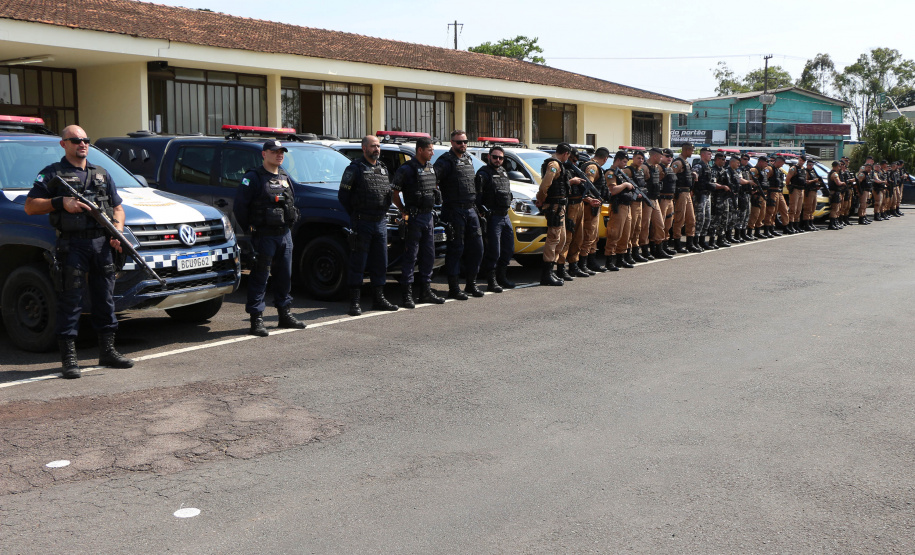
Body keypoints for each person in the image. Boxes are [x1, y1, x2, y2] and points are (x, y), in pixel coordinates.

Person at [24, 125, 134, 378]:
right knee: (70, 301)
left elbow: (117, 208)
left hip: (101, 244)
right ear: (64, 144)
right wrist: (60, 202)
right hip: (72, 246)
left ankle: (107, 351)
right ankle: (69, 359)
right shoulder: (52, 173)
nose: (82, 144)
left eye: (85, 140)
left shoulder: (102, 173)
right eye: (75, 140)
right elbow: (30, 206)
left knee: (105, 299)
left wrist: (116, 232)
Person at [234, 139, 305, 336]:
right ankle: (256, 319)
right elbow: (240, 207)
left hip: (284, 235)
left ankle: (284, 314)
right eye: (274, 151)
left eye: (281, 151)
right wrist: (251, 229)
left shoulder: (284, 176)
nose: (279, 154)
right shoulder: (253, 177)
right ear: (264, 154)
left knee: (284, 277)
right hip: (264, 236)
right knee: (260, 278)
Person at [339, 135, 398, 315]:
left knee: (380, 262)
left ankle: (378, 299)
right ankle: (354, 303)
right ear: (364, 148)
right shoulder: (354, 169)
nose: (377, 149)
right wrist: (357, 215)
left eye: (378, 146)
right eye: (373, 146)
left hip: (380, 222)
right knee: (358, 262)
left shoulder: (383, 168)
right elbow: (343, 197)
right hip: (362, 222)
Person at [391, 137, 446, 307]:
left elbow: (434, 188)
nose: (432, 152)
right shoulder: (406, 169)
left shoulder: (431, 168)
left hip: (428, 217)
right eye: (430, 149)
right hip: (414, 218)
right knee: (410, 257)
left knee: (428, 256)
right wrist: (403, 209)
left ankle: (425, 292)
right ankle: (407, 295)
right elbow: (394, 194)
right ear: (420, 150)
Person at [434, 130, 485, 299]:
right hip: (454, 210)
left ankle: (471, 284)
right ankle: (454, 288)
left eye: (465, 142)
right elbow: (432, 180)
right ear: (452, 143)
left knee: (477, 249)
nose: (462, 145)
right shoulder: (445, 161)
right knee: (456, 250)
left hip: (470, 210)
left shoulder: (468, 159)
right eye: (459, 142)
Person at [536, 142, 579, 285]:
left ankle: (551, 271)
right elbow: (545, 185)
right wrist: (540, 199)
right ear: (566, 154)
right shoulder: (554, 164)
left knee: (561, 239)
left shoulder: (558, 164)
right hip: (554, 206)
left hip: (560, 207)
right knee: (553, 239)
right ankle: (546, 274)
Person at [475, 145, 516, 292]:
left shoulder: (504, 172)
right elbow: (477, 199)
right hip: (493, 218)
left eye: (500, 158)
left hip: (505, 216)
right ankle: (491, 281)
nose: (498, 160)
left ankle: (502, 277)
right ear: (488, 157)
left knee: (508, 249)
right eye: (495, 157)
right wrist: (483, 214)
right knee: (494, 251)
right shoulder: (483, 174)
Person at [556, 148, 593, 279]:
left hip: (579, 204)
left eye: (576, 161)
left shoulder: (576, 170)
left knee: (578, 238)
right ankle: (560, 267)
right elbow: (559, 187)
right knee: (567, 238)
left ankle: (574, 266)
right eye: (572, 160)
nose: (573, 163)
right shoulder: (562, 169)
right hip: (569, 205)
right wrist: (572, 181)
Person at [579, 147, 611, 272]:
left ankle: (591, 262)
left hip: (594, 205)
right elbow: (587, 186)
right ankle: (583, 264)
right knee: (588, 235)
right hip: (589, 206)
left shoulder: (594, 166)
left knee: (593, 236)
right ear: (605, 158)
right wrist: (590, 199)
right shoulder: (592, 167)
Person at [603, 150, 636, 270]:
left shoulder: (621, 173)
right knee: (614, 234)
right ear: (617, 160)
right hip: (618, 207)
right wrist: (625, 185)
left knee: (625, 235)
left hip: (627, 207)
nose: (625, 164)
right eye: (623, 161)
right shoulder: (611, 173)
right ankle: (609, 259)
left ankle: (620, 259)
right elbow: (613, 190)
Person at [642, 147, 672, 259]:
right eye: (660, 156)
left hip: (655, 199)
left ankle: (658, 249)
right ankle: (645, 250)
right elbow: (640, 183)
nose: (662, 158)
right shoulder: (644, 168)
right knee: (645, 226)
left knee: (660, 224)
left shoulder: (656, 167)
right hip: (647, 200)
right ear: (654, 156)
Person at [670, 143, 700, 253]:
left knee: (691, 219)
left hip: (687, 193)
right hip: (681, 193)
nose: (692, 152)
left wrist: (693, 174)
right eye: (691, 150)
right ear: (686, 150)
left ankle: (690, 244)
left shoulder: (686, 162)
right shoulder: (678, 162)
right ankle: (677, 244)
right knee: (679, 219)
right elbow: (671, 177)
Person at [624, 151, 650, 263]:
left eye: (642, 159)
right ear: (633, 158)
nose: (641, 160)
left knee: (638, 228)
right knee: (631, 228)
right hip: (632, 203)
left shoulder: (641, 170)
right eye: (638, 158)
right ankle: (627, 253)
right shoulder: (628, 170)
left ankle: (635, 252)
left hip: (640, 202)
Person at [692, 147, 715, 250]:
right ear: (703, 155)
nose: (710, 156)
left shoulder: (708, 166)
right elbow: (693, 174)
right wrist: (695, 176)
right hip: (700, 196)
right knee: (699, 219)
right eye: (708, 154)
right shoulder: (699, 166)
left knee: (707, 219)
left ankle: (702, 241)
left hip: (707, 195)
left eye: (711, 154)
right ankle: (695, 241)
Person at [658, 148, 679, 255]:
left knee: (668, 224)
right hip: (662, 199)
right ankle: (659, 248)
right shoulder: (659, 168)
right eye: (667, 156)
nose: (669, 158)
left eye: (671, 156)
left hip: (670, 199)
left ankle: (665, 245)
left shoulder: (670, 168)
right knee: (660, 224)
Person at [709, 152, 731, 248]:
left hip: (724, 198)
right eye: (722, 159)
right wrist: (723, 187)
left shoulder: (723, 170)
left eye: (725, 159)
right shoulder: (713, 170)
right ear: (717, 159)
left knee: (724, 219)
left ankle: (721, 239)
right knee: (715, 220)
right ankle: (712, 240)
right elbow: (713, 184)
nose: (724, 161)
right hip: (716, 198)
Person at [765, 155, 790, 236]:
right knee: (771, 211)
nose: (782, 165)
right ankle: (769, 228)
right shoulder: (770, 169)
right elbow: (765, 181)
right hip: (772, 191)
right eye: (782, 163)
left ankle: (786, 226)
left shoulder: (779, 170)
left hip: (779, 192)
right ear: (779, 162)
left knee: (784, 209)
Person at [747, 156, 769, 240]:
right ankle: (749, 232)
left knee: (762, 214)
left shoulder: (764, 171)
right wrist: (753, 190)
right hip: (757, 195)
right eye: (765, 162)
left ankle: (757, 232)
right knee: (755, 214)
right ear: (760, 162)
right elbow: (751, 181)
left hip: (763, 195)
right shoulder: (754, 170)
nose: (766, 164)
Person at [786, 155, 807, 233]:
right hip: (795, 189)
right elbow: (788, 179)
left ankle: (796, 225)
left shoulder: (803, 169)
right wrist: (789, 187)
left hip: (801, 189)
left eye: (803, 161)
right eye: (800, 160)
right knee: (793, 209)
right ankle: (790, 225)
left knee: (799, 209)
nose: (801, 162)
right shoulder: (794, 168)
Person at [801, 158, 821, 231]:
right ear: (807, 165)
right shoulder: (806, 172)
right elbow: (805, 181)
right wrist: (814, 180)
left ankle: (811, 223)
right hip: (808, 191)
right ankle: (806, 224)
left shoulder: (813, 171)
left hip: (814, 190)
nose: (811, 166)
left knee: (813, 208)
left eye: (812, 164)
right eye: (809, 164)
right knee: (808, 208)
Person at [826, 161, 846, 230]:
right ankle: (832, 224)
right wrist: (843, 183)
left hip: (835, 192)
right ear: (837, 166)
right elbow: (838, 183)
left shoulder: (832, 173)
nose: (840, 167)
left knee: (837, 208)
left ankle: (834, 222)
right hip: (834, 193)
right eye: (839, 166)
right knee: (834, 208)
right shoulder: (834, 174)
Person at [857, 161, 874, 225]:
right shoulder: (862, 174)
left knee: (865, 205)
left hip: (867, 191)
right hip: (863, 191)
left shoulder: (868, 174)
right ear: (865, 167)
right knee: (862, 205)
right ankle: (861, 218)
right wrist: (859, 191)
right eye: (868, 167)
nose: (869, 169)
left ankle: (864, 217)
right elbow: (858, 182)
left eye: (870, 168)